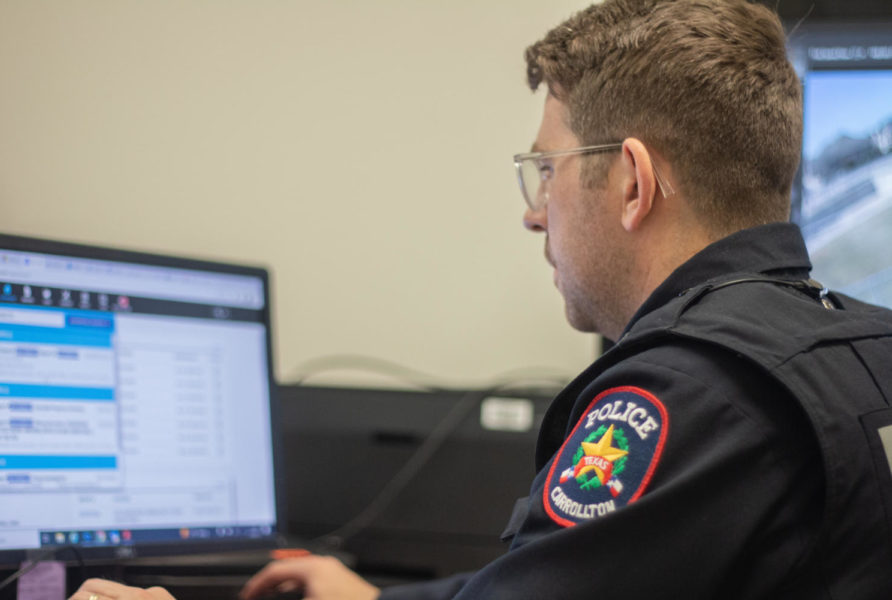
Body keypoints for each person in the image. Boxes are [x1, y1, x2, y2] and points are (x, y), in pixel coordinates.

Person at [70, 0, 892, 599]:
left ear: (634, 183)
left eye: (546, 170)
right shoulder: (860, 347)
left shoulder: (691, 397)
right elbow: (567, 578)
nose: (533, 211)